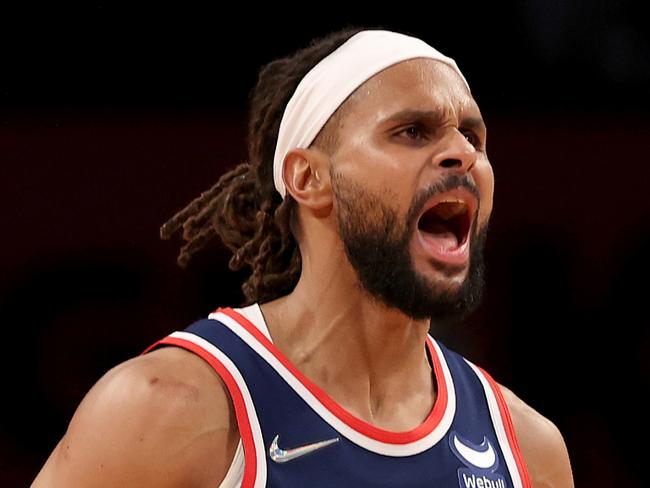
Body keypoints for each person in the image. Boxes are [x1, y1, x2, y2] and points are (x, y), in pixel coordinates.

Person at [33, 27, 574, 487]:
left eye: (474, 137)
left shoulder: (529, 451)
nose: (463, 153)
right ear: (308, 178)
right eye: (412, 131)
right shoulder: (168, 408)